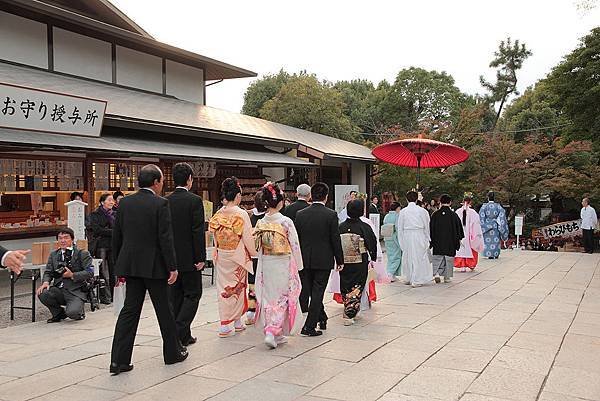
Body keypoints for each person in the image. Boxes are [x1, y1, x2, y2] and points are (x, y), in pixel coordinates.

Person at [110, 164, 187, 376]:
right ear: (156, 182)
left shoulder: (124, 203)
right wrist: (172, 266)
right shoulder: (160, 204)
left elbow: (117, 236)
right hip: (154, 266)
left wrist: (119, 265)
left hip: (131, 265)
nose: (162, 185)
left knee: (129, 311)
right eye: (161, 181)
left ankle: (118, 360)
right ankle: (172, 352)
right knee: (164, 309)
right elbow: (165, 238)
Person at [254, 182, 303, 348]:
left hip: (267, 263)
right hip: (283, 262)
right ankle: (272, 331)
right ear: (281, 202)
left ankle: (278, 333)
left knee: (269, 297)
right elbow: (294, 244)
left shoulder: (261, 222)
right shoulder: (285, 221)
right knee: (283, 298)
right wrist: (299, 264)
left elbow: (258, 247)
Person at [209, 177, 257, 338]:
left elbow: (215, 235)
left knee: (224, 288)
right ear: (237, 195)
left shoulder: (218, 213)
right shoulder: (241, 214)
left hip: (222, 254)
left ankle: (233, 321)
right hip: (237, 256)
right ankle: (228, 323)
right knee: (238, 287)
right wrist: (254, 253)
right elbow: (247, 237)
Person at [295, 182, 344, 336]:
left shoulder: (300, 214)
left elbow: (297, 239)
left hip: (304, 258)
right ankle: (309, 326)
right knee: (317, 292)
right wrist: (340, 260)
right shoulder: (330, 215)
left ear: (311, 196)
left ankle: (322, 317)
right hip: (323, 259)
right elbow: (335, 239)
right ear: (326, 197)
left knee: (311, 291)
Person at [166, 162, 206, 347]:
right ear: (189, 179)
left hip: (171, 258)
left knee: (176, 296)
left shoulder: (165, 200)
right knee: (193, 294)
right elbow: (197, 231)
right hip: (189, 257)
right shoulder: (194, 200)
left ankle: (184, 334)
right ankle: (179, 329)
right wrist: (200, 257)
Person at [36, 228, 93, 323]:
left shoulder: (82, 253)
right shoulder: (54, 255)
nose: (63, 241)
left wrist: (72, 275)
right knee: (43, 292)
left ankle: (78, 310)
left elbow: (90, 272)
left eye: (66, 238)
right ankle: (58, 313)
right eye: (60, 238)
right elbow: (48, 272)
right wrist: (46, 282)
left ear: (72, 239)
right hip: (59, 289)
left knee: (73, 313)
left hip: (75, 290)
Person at [338, 199, 378, 326]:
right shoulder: (364, 227)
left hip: (344, 261)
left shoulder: (341, 226)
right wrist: (373, 255)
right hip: (359, 261)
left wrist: (337, 258)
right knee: (357, 286)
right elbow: (372, 242)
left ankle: (351, 309)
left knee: (345, 284)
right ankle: (349, 313)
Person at [397, 190, 433, 287]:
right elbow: (427, 225)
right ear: (417, 199)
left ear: (406, 199)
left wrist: (401, 240)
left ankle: (408, 277)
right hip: (419, 234)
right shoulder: (422, 211)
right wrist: (427, 237)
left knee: (408, 257)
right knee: (419, 256)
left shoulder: (403, 211)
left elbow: (399, 227)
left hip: (407, 235)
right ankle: (417, 279)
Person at [88, 193, 116, 304]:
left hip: (113, 245)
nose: (111, 202)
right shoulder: (95, 214)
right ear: (102, 202)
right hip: (101, 246)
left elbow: (120, 227)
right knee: (104, 272)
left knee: (114, 271)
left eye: (112, 200)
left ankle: (115, 296)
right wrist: (113, 232)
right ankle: (105, 297)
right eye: (109, 200)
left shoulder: (115, 214)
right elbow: (97, 229)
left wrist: (110, 231)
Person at [430, 194, 464, 284]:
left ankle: (436, 273)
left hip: (438, 241)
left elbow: (431, 229)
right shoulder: (453, 215)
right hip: (450, 242)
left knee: (437, 258)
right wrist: (458, 239)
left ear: (440, 202)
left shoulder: (435, 214)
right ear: (450, 202)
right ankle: (447, 277)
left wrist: (431, 241)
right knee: (448, 259)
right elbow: (459, 229)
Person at [246, 190, 266, 325]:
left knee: (252, 285)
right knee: (266, 284)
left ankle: (251, 312)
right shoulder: (268, 219)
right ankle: (265, 311)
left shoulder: (250, 218)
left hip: (252, 256)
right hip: (265, 257)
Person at [454, 193, 484, 272]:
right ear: (470, 202)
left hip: (460, 234)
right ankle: (470, 264)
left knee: (461, 249)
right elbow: (476, 226)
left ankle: (462, 265)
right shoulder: (473, 213)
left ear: (462, 201)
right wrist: (474, 237)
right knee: (470, 248)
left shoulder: (458, 211)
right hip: (469, 235)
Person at [479, 191, 509, 259]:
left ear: (488, 197)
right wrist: (501, 227)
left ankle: (489, 254)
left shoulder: (484, 207)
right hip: (495, 226)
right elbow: (502, 218)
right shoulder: (498, 206)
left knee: (487, 241)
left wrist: (484, 226)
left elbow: (481, 218)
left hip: (486, 227)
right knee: (496, 240)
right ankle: (495, 253)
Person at [383, 202, 402, 281]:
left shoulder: (387, 216)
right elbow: (398, 228)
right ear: (397, 208)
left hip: (387, 238)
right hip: (395, 238)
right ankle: (390, 273)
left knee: (390, 257)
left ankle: (392, 274)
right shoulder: (397, 216)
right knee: (396, 257)